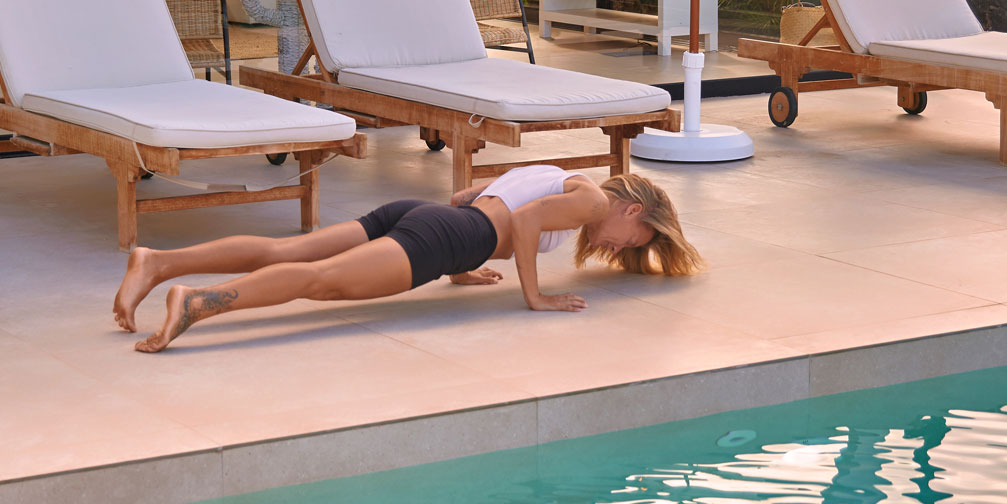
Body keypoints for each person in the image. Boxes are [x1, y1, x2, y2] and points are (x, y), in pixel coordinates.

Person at [116, 165, 701, 353]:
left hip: (421, 215)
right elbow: (518, 223)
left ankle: (159, 262)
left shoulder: (552, 175)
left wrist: (463, 263)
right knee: (319, 282)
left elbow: (466, 200)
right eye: (637, 237)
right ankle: (196, 302)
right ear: (633, 206)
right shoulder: (592, 197)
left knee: (285, 250)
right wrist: (534, 296)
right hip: (445, 236)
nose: (622, 247)